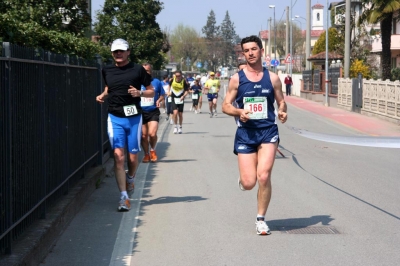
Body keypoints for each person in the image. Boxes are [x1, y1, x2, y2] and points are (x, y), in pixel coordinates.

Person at [222, 35, 287, 235]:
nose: (250, 53)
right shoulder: (237, 79)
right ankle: (244, 179)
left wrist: (283, 111)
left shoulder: (273, 78)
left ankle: (260, 219)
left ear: (261, 51)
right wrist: (239, 112)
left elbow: (281, 101)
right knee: (250, 182)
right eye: (246, 50)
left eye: (253, 49)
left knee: (264, 176)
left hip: (268, 132)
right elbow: (225, 106)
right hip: (246, 134)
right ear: (244, 54)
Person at [96, 39, 154, 212]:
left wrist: (140, 92)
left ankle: (130, 178)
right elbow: (109, 88)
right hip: (114, 117)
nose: (118, 54)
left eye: (121, 51)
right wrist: (102, 95)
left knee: (133, 158)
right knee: (119, 157)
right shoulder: (106, 70)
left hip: (134, 118)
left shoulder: (137, 70)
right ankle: (123, 197)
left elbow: (152, 90)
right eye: (115, 51)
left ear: (128, 52)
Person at [140, 63, 165, 163]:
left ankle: (153, 150)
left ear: (151, 72)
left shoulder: (156, 82)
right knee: (144, 136)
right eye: (143, 71)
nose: (146, 73)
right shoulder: (137, 83)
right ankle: (146, 154)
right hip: (141, 112)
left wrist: (159, 100)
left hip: (153, 111)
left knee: (152, 133)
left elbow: (162, 95)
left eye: (147, 71)